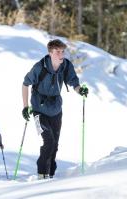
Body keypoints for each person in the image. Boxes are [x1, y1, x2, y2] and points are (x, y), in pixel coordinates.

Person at [22, 39, 88, 179]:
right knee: (49, 141)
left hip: (56, 109)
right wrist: (25, 107)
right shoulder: (39, 67)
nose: (61, 54)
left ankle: (50, 174)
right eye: (58, 52)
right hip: (39, 110)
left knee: (55, 144)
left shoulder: (66, 66)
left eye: (62, 51)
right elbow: (25, 84)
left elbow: (73, 82)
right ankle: (42, 173)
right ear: (50, 53)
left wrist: (80, 90)